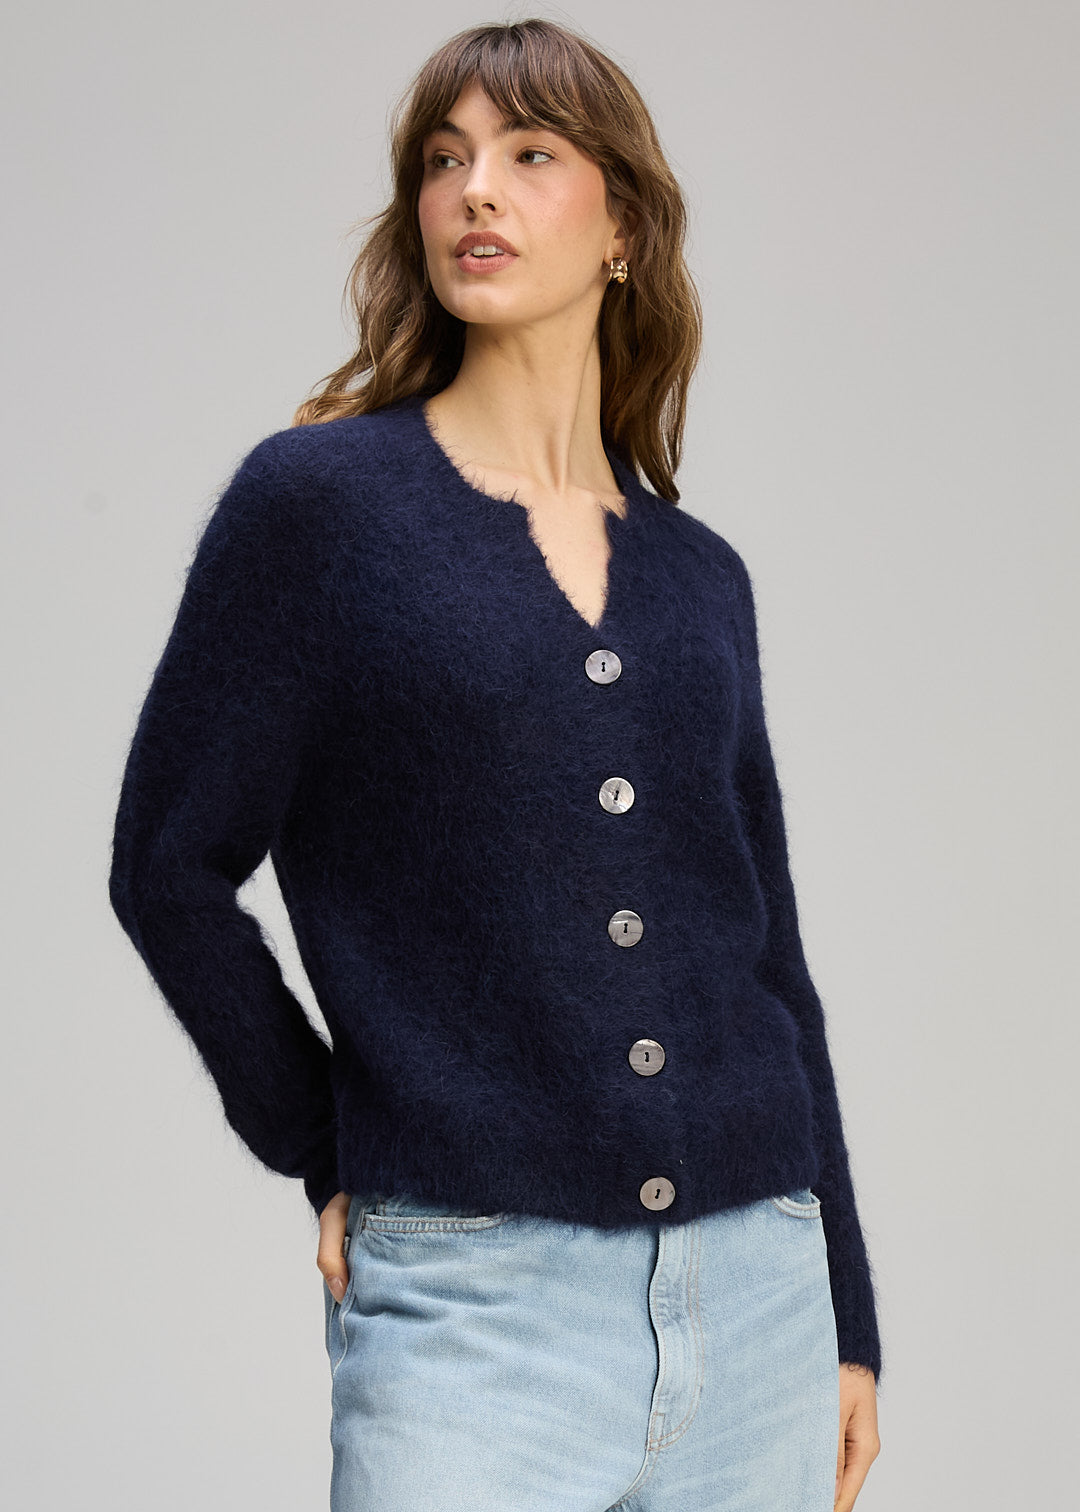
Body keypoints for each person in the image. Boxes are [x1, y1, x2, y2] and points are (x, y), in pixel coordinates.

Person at [108, 17, 882, 1512]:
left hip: (760, 1302)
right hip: (476, 1305)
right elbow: (166, 867)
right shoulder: (320, 511)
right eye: (445, 160)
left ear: (623, 228)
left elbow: (770, 956)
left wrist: (844, 1306)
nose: (476, 190)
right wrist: (326, 1141)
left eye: (531, 155)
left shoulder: (701, 577)